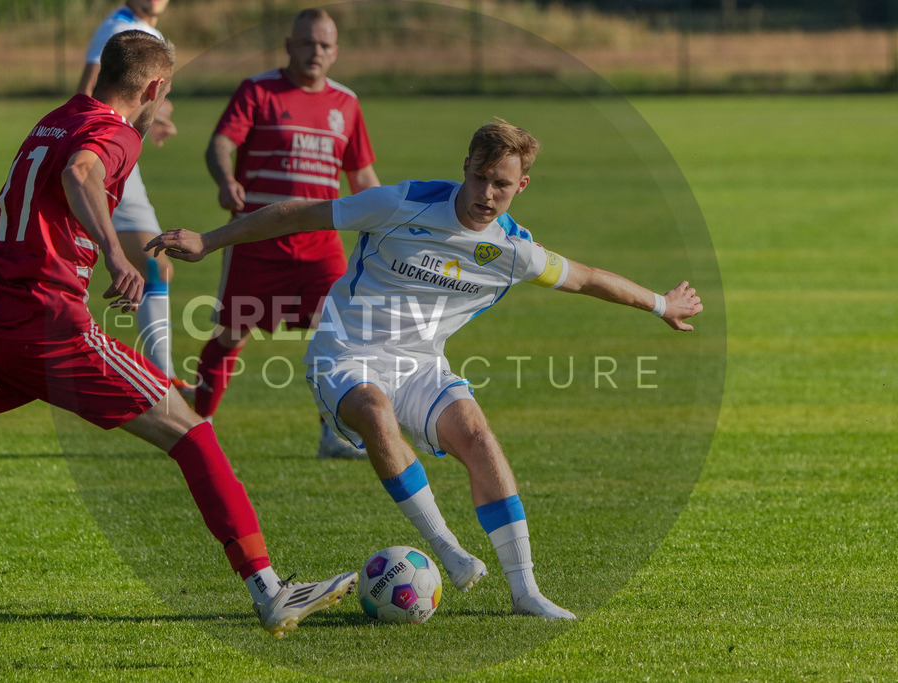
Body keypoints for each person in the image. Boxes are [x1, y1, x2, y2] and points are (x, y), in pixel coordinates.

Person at [0, 30, 355, 639]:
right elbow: (82, 172)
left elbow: (67, 169)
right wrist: (115, 255)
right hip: (43, 325)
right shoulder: (118, 133)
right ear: (154, 88)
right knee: (194, 434)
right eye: (167, 93)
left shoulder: (58, 115)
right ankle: (270, 590)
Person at [146, 120, 705, 620]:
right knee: (373, 409)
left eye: (502, 184)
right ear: (464, 167)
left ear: (521, 186)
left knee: (480, 438)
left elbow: (585, 278)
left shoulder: (515, 251)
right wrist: (209, 239)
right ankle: (445, 548)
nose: (488, 195)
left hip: (421, 367)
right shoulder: (399, 203)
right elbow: (302, 214)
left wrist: (660, 304)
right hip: (343, 354)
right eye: (481, 177)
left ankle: (525, 590)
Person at [0, 0, 189, 397]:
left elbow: (132, 98)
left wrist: (148, 122)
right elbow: (94, 93)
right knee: (45, 256)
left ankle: (165, 376)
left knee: (153, 265)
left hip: (117, 151)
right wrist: (112, 138)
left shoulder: (149, 35)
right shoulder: (117, 29)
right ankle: (165, 380)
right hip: (97, 152)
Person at [199, 7, 379, 458]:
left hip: (321, 248)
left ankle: (333, 435)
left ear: (335, 52)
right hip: (255, 242)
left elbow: (363, 177)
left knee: (338, 335)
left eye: (323, 45)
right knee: (230, 334)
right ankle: (195, 427)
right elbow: (221, 143)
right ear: (289, 46)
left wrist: (388, 222)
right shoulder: (258, 90)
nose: (314, 52)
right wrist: (225, 180)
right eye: (306, 43)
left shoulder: (347, 103)